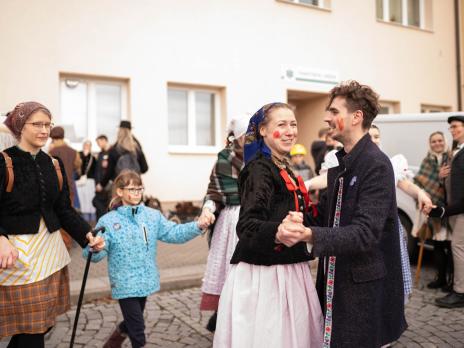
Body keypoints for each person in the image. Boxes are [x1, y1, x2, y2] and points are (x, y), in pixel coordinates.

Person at [277, 81, 407, 347]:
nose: (326, 117)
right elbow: (328, 214)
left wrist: (309, 234)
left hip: (363, 290)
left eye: (334, 111)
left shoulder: (376, 165)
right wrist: (299, 219)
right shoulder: (343, 161)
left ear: (356, 117)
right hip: (337, 283)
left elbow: (365, 233)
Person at [213, 103, 323, 348]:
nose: (290, 130)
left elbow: (301, 213)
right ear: (262, 130)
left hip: (289, 268)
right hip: (265, 275)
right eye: (281, 124)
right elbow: (248, 225)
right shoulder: (260, 169)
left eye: (293, 124)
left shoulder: (283, 166)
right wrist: (279, 231)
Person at [0, 101, 104, 348]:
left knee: (42, 325)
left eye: (48, 124)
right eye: (37, 124)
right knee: (32, 332)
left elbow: (63, 210)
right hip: (16, 259)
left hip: (50, 255)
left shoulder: (53, 163)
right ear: (20, 127)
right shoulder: (4, 162)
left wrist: (88, 235)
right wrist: (1, 239)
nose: (44, 130)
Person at [84, 170, 214, 348]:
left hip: (145, 280)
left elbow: (173, 233)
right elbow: (96, 250)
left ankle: (113, 342)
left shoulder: (152, 216)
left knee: (131, 321)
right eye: (132, 189)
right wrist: (95, 247)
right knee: (138, 329)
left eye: (140, 189)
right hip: (124, 282)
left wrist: (197, 225)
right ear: (120, 191)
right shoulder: (108, 220)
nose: (137, 193)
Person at [200, 113, 249, 332]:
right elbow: (213, 194)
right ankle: (226, 322)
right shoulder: (224, 160)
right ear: (236, 137)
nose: (251, 139)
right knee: (233, 274)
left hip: (259, 220)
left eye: (255, 135)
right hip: (232, 224)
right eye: (247, 135)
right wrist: (207, 210)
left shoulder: (267, 157)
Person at [427, 115, 464, 308]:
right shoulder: (456, 151)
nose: (453, 130)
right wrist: (442, 178)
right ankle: (456, 286)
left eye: (456, 126)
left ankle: (460, 293)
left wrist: (443, 211)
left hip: (459, 210)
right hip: (454, 210)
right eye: (451, 127)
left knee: (458, 248)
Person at [414, 131, 452, 290]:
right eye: (434, 141)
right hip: (432, 207)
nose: (437, 143)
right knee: (436, 244)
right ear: (430, 144)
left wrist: (443, 178)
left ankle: (453, 281)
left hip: (448, 207)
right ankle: (441, 278)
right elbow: (419, 181)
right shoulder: (427, 160)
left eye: (439, 140)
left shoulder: (451, 158)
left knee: (450, 245)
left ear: (444, 141)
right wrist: (438, 176)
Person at [49, 126, 83, 249]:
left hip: (55, 187)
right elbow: (77, 166)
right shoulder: (74, 151)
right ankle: (68, 241)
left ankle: (63, 243)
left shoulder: (50, 152)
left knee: (58, 214)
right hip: (69, 187)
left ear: (52, 137)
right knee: (68, 213)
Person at [96, 121, 148, 192]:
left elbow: (109, 172)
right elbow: (144, 168)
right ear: (130, 131)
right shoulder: (136, 148)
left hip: (120, 188)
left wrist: (102, 184)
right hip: (136, 188)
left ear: (119, 131)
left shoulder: (115, 149)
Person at [76, 140, 97, 223]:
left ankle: (92, 220)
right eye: (85, 145)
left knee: (90, 200)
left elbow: (95, 170)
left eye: (89, 145)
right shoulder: (78, 155)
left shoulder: (93, 157)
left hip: (90, 181)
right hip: (79, 181)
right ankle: (83, 219)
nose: (87, 147)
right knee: (81, 200)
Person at [93, 134, 111, 219]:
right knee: (98, 206)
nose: (98, 145)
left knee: (108, 208)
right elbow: (97, 171)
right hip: (99, 186)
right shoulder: (100, 154)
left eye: (99, 143)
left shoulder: (112, 153)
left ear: (104, 140)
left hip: (108, 186)